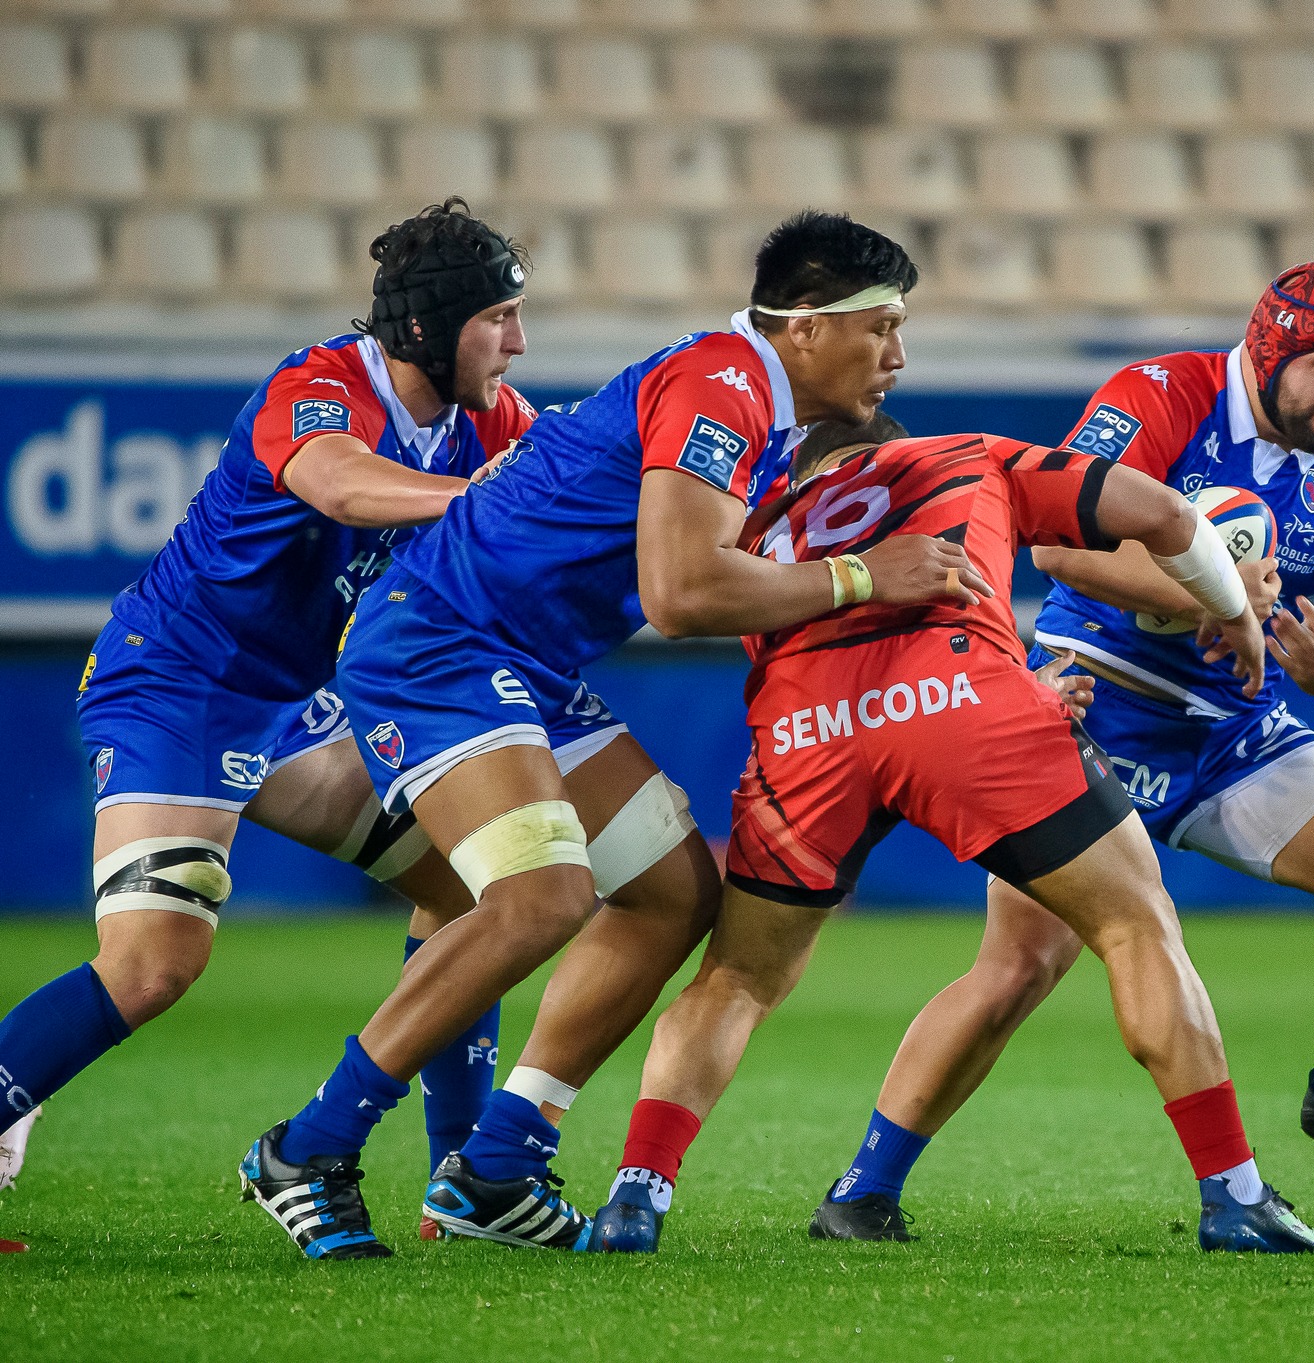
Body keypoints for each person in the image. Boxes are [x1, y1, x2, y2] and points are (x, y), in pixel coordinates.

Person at [238, 212, 986, 1260]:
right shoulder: (725, 382)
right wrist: (863, 575)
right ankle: (307, 1147)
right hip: (441, 643)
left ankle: (496, 1164)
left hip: (525, 665)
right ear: (808, 326)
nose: (898, 356)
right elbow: (678, 593)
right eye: (884, 328)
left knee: (674, 892)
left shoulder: (758, 410)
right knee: (541, 896)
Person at [805, 263, 1314, 1246]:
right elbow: (1058, 550)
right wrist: (1203, 593)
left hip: (1232, 733)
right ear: (1270, 350)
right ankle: (860, 1192)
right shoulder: (1159, 397)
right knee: (1018, 966)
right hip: (1089, 710)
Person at [588, 412, 1314, 1256]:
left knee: (736, 979)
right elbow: (1166, 516)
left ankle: (637, 1195)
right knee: (1134, 923)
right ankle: (1232, 1194)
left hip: (807, 736)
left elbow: (690, 602)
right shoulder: (963, 455)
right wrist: (1230, 601)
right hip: (961, 708)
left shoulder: (752, 520)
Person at [0, 200, 532, 1247]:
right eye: (499, 319)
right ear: (430, 326)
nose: (517, 343)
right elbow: (334, 485)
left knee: (477, 895)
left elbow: (547, 492)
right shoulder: (321, 384)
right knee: (155, 964)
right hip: (181, 681)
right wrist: (471, 497)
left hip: (300, 700)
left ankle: (460, 1186)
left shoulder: (492, 418)